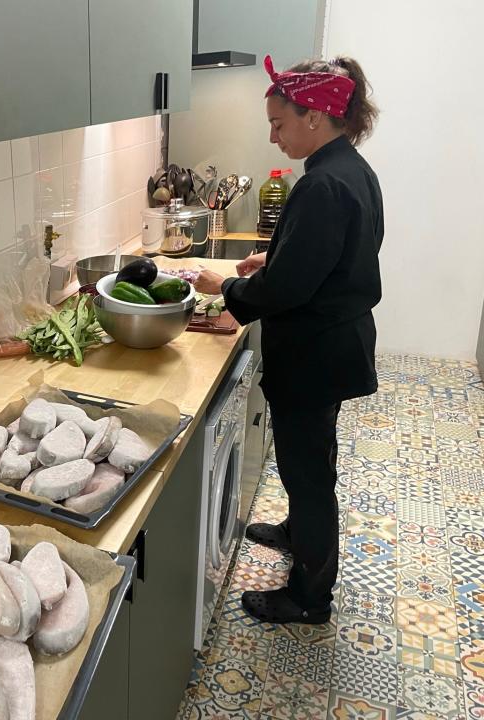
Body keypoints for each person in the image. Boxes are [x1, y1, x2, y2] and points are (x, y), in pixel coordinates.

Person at [193, 55, 383, 624]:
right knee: (310, 457)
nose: (271, 135)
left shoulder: (323, 184)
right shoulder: (347, 169)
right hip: (332, 344)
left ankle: (308, 596)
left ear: (317, 116)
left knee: (308, 473)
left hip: (314, 355)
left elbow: (290, 292)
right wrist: (272, 257)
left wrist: (226, 284)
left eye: (279, 123)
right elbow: (325, 258)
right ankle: (298, 533)